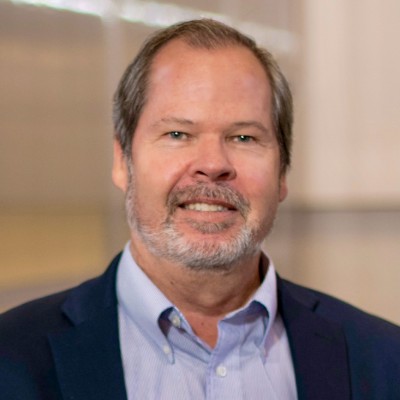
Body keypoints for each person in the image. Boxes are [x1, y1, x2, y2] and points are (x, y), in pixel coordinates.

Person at [0, 19, 399, 400]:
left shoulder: (384, 360)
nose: (212, 164)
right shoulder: (12, 359)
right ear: (123, 161)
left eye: (244, 137)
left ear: (282, 173)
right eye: (178, 134)